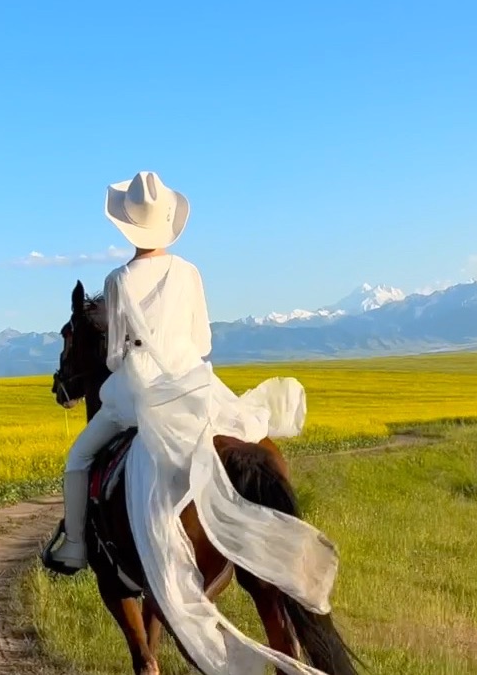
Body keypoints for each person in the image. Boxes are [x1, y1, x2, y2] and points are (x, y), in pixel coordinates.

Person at [50, 171, 340, 675]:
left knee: (78, 458)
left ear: (127, 227)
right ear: (167, 223)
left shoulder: (118, 280)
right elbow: (202, 340)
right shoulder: (189, 272)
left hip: (139, 389)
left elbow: (117, 354)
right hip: (196, 384)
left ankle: (74, 545)